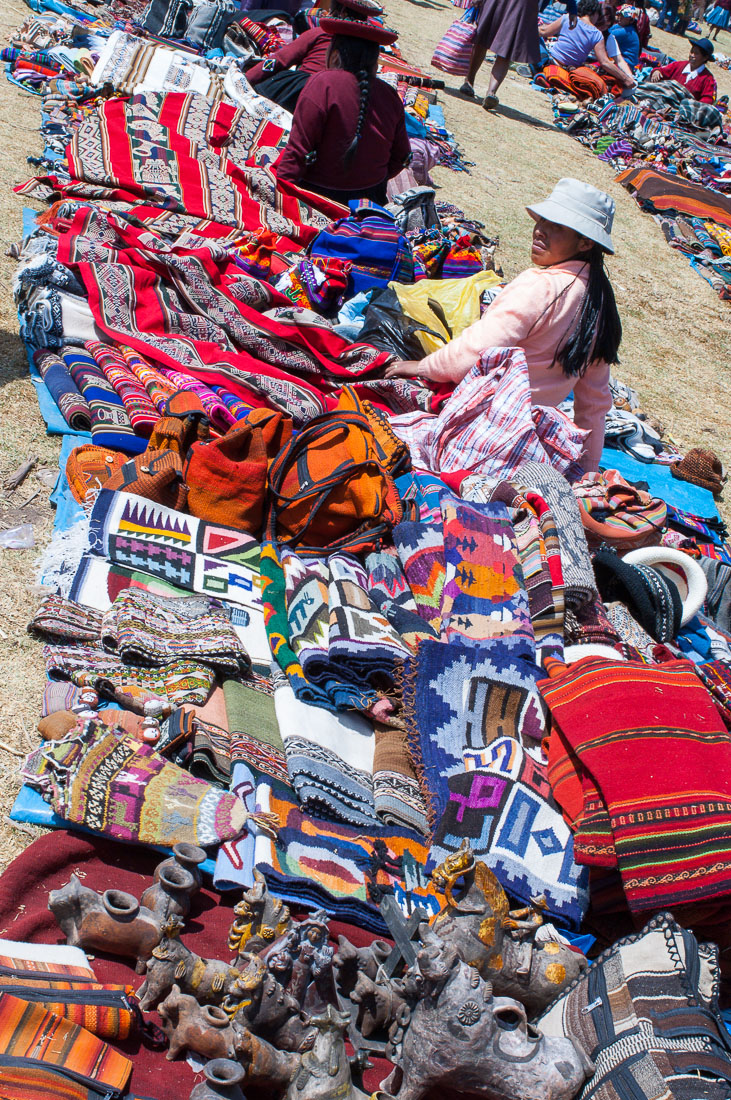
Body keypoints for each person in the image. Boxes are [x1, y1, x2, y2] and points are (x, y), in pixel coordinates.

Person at [385, 178, 622, 472]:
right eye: (542, 221)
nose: (540, 230)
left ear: (586, 242)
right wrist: (587, 469)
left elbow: (475, 351)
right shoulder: (599, 306)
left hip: (483, 431)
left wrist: (421, 367)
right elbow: (594, 405)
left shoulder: (542, 286)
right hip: (530, 447)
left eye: (557, 226)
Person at [276, 17, 411, 204]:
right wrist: (370, 178)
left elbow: (297, 151)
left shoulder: (322, 83)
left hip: (317, 198)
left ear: (334, 56)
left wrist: (279, 196)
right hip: (370, 201)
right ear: (375, 64)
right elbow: (403, 155)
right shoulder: (389, 95)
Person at [245, 0, 383, 112]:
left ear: (339, 11)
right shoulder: (368, 48)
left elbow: (279, 60)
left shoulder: (321, 33)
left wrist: (248, 80)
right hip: (343, 101)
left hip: (303, 91)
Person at [459, 0, 577, 112]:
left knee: (503, 46)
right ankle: (475, 84)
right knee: (489, 41)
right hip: (517, 5)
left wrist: (572, 8)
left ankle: (487, 91)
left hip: (522, 5)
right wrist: (572, 9)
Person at [538, 0, 636, 97]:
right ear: (595, 13)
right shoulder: (597, 34)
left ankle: (538, 67)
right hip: (569, 69)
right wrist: (626, 78)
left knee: (538, 40)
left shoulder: (568, 18)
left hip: (550, 60)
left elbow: (543, 31)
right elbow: (605, 62)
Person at [650, 36, 717, 101]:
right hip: (666, 98)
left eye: (696, 53)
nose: (692, 55)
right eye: (691, 52)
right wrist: (657, 71)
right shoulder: (679, 65)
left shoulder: (708, 78)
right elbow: (662, 70)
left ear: (705, 58)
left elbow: (707, 99)